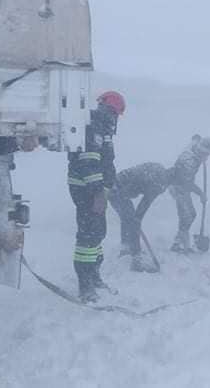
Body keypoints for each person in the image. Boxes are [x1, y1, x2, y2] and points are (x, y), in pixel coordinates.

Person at [68, 90, 125, 303]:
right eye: (116, 114)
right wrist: (98, 192)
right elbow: (88, 161)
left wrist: (111, 183)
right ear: (109, 111)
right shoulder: (92, 127)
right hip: (86, 190)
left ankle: (94, 276)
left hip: (98, 190)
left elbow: (105, 162)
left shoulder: (104, 130)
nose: (116, 119)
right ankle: (85, 287)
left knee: (98, 232)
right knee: (87, 237)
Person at [108, 162, 172, 273]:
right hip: (116, 190)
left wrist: (137, 218)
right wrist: (137, 218)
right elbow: (146, 202)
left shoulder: (158, 172)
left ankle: (126, 247)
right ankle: (136, 259)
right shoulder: (159, 182)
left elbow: (144, 196)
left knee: (128, 218)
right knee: (132, 220)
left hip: (115, 187)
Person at [168, 135, 210, 253]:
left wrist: (196, 138)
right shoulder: (189, 162)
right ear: (201, 151)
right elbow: (187, 183)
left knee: (191, 214)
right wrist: (201, 194)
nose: (207, 157)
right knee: (186, 216)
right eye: (207, 154)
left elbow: (195, 139)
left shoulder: (195, 148)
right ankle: (182, 245)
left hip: (184, 185)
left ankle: (178, 241)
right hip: (178, 187)